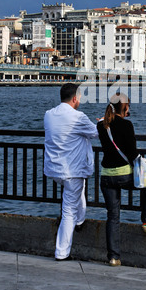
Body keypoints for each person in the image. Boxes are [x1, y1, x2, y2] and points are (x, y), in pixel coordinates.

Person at [97, 92, 146, 267]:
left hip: (106, 176)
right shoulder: (127, 125)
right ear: (125, 107)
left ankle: (113, 257)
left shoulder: (101, 126)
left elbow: (106, 124)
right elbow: (133, 153)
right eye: (128, 106)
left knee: (113, 216)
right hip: (123, 175)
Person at [44, 83, 98, 261]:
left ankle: (80, 220)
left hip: (54, 169)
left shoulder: (48, 115)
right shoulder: (78, 117)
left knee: (75, 193)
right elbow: (95, 133)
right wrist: (104, 122)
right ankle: (61, 252)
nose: (80, 101)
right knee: (68, 210)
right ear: (75, 98)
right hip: (72, 171)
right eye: (80, 98)